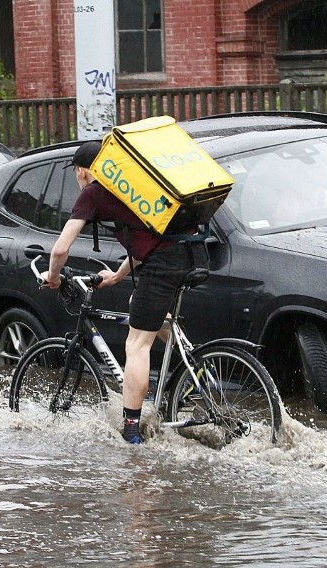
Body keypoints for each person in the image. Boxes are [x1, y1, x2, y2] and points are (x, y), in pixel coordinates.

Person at [41, 140, 208, 444]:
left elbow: (60, 249)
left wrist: (53, 277)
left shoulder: (94, 193)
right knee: (139, 304)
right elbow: (149, 240)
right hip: (192, 252)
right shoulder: (129, 185)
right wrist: (118, 276)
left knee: (137, 344)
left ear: (81, 171)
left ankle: (131, 431)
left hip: (165, 263)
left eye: (77, 172)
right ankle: (196, 369)